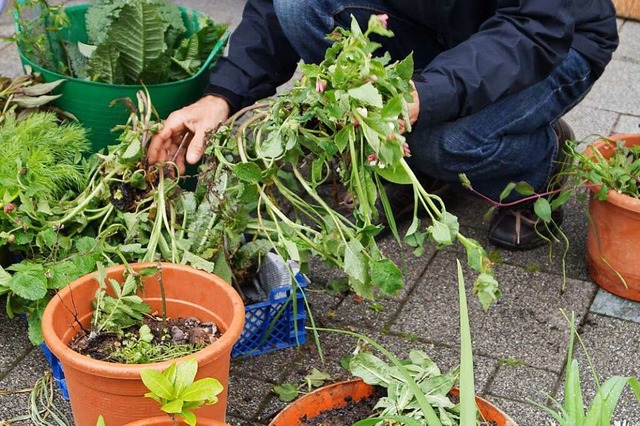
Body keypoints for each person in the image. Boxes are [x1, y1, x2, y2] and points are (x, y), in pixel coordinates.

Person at [147, 0, 619, 250]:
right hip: (440, 27)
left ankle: (541, 160)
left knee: (445, 141)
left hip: (555, 42)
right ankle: (413, 166)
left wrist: (424, 95)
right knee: (298, 5)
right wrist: (223, 95)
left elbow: (535, 27)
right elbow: (273, 12)